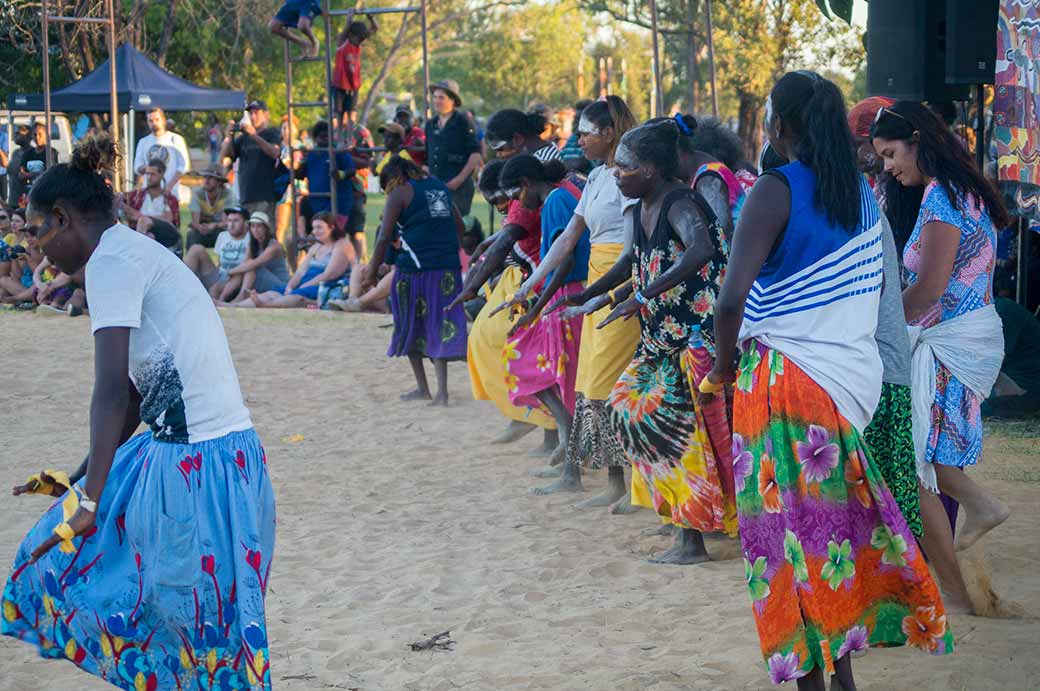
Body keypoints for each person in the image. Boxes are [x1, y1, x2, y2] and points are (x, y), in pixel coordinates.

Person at [2, 135, 275, 690]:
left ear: (63, 219)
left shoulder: (111, 262)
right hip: (216, 457)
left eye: (35, 231)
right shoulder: (128, 249)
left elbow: (108, 391)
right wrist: (82, 479)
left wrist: (90, 501)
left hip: (200, 464)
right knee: (189, 631)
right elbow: (131, 394)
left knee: (186, 630)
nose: (35, 247)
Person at [708, 71, 952, 689]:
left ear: (782, 124)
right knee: (827, 538)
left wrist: (722, 365)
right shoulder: (861, 196)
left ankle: (817, 682)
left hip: (782, 385)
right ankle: (840, 678)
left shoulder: (774, 190)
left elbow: (730, 300)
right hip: (846, 385)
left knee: (785, 542)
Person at [872, 100, 1011, 613]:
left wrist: (877, 330)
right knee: (925, 460)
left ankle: (976, 523)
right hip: (961, 337)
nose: (888, 167)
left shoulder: (941, 197)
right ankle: (957, 586)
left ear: (917, 141)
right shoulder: (960, 189)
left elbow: (929, 289)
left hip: (952, 340)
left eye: (890, 154)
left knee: (919, 464)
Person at [578, 121, 736, 563]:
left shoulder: (681, 202)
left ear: (651, 169)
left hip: (692, 341)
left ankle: (691, 539)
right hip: (662, 341)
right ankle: (682, 520)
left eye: (625, 167)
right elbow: (636, 262)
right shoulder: (644, 205)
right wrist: (595, 296)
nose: (616, 174)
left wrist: (642, 297)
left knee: (683, 439)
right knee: (631, 411)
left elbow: (701, 248)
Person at [500, 96, 641, 504]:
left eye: (586, 133)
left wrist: (599, 294)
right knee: (586, 384)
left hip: (615, 284)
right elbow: (567, 238)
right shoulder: (596, 178)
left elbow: (631, 250)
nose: (579, 141)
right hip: (596, 280)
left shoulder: (628, 179)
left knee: (602, 384)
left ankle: (625, 483)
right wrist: (529, 286)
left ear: (609, 133)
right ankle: (613, 482)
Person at [840, 104, 923, 539]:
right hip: (885, 354)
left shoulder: (863, 199)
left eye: (888, 153)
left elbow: (893, 285)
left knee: (893, 494)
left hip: (886, 360)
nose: (883, 163)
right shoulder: (870, 193)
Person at [498, 155, 586, 459]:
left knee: (560, 376)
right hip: (563, 294)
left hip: (567, 295)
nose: (518, 204)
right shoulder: (558, 196)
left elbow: (566, 259)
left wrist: (538, 307)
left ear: (526, 183)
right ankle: (566, 438)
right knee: (546, 369)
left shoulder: (556, 201)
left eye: (516, 195)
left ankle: (570, 451)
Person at [361, 155, 469, 405]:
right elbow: (460, 226)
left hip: (414, 270)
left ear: (393, 178)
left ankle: (423, 388)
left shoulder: (399, 192)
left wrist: (371, 272)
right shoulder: (438, 187)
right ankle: (442, 392)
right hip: (447, 268)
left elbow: (383, 237)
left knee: (410, 325)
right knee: (438, 325)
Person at [241, 212, 354, 308]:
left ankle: (265, 305)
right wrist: (290, 286)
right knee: (272, 293)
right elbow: (300, 272)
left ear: (332, 227)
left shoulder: (342, 245)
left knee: (296, 297)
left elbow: (328, 275)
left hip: (325, 285)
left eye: (319, 227)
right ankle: (236, 305)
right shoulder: (316, 247)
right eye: (314, 228)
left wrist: (302, 287)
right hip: (306, 282)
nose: (315, 231)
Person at [424, 80, 482, 215]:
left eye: (441, 98)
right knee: (438, 220)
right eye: (435, 97)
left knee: (458, 223)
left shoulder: (463, 122)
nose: (436, 101)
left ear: (453, 101)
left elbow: (475, 154)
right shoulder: (430, 124)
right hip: (436, 185)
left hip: (459, 187)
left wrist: (458, 180)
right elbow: (428, 156)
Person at [221, 100, 283, 217]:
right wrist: (229, 136)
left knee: (263, 227)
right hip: (246, 196)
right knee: (247, 228)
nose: (253, 116)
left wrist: (254, 135)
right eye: (250, 113)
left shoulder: (272, 133)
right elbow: (228, 155)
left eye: (256, 113)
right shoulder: (243, 138)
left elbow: (275, 152)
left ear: (266, 114)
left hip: (265, 196)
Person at [984, 296, 1040, 417]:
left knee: (964, 408)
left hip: (1025, 390)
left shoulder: (1001, 311)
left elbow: (990, 364)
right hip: (1015, 384)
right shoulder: (995, 308)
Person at [220, 211, 292, 304]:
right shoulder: (252, 245)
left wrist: (229, 272)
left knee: (251, 268)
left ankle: (240, 297)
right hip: (262, 281)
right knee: (243, 270)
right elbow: (245, 264)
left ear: (266, 228)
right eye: (253, 226)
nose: (255, 230)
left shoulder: (274, 246)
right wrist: (233, 272)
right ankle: (221, 299)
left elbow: (255, 263)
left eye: (259, 226)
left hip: (280, 285)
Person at [184, 205, 251, 299]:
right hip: (220, 276)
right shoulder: (223, 236)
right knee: (196, 249)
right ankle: (181, 288)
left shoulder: (251, 238)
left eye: (236, 221)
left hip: (237, 279)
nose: (231, 225)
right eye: (229, 220)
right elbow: (220, 263)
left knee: (215, 289)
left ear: (245, 223)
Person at [121, 158, 182, 255]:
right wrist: (129, 210)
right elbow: (117, 198)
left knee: (143, 221)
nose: (149, 177)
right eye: (147, 174)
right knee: (149, 236)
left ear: (162, 175)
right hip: (146, 234)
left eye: (153, 174)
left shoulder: (170, 199)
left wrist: (139, 216)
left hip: (166, 234)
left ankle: (135, 253)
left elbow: (172, 223)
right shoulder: (137, 195)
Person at [132, 108, 191, 204]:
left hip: (171, 194)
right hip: (149, 195)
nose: (154, 123)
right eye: (150, 121)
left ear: (163, 120)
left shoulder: (176, 139)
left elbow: (184, 166)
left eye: (157, 119)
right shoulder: (143, 142)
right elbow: (137, 167)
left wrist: (169, 186)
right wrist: (148, 169)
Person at [332, 13, 378, 134]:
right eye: (358, 39)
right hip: (340, 84)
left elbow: (374, 28)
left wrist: (371, 17)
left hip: (353, 84)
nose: (360, 41)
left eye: (361, 39)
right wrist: (349, 18)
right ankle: (340, 136)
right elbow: (344, 32)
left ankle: (349, 136)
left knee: (352, 112)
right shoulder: (342, 43)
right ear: (351, 35)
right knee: (339, 112)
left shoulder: (358, 43)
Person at [187, 166, 238, 250]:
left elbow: (227, 222)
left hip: (221, 229)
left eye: (210, 178)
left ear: (219, 182)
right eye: (205, 177)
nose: (206, 180)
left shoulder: (228, 195)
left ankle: (227, 258)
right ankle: (191, 257)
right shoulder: (197, 193)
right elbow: (195, 222)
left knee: (227, 234)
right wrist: (200, 227)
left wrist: (214, 225)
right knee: (192, 234)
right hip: (203, 229)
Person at [485, 109, 561, 162]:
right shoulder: (553, 151)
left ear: (518, 139)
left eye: (501, 149)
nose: (498, 155)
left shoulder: (541, 163)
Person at [18, 122, 58, 199]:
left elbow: (49, 173)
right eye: (34, 135)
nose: (37, 137)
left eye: (40, 134)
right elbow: (21, 174)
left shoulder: (50, 152)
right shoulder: (28, 153)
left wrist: (29, 174)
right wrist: (36, 174)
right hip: (29, 193)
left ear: (46, 135)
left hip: (44, 193)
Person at [560, 99, 594, 173]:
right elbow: (562, 159)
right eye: (575, 118)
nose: (575, 121)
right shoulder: (572, 138)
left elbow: (581, 164)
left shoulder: (596, 140)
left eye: (579, 118)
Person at [6, 125, 31, 208]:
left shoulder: (32, 153)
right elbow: (10, 170)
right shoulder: (15, 153)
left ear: (28, 136)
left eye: (18, 133)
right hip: (13, 199)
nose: (15, 136)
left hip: (24, 201)